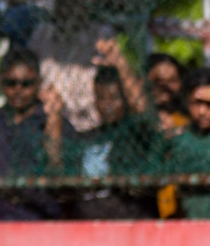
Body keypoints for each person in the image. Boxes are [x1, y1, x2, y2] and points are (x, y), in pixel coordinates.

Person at [0, 48, 70, 221]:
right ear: (1, 82)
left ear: (38, 83)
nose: (18, 90)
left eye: (26, 84)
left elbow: (58, 167)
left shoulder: (53, 122)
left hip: (40, 216)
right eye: (11, 83)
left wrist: (53, 118)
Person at [68, 66, 163, 220]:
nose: (108, 105)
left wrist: (117, 58)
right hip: (90, 220)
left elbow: (143, 111)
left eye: (114, 98)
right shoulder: (86, 139)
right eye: (101, 98)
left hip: (130, 218)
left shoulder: (137, 135)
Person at [30, 0, 140, 133]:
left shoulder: (100, 34)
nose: (68, 13)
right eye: (63, 8)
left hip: (93, 121)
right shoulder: (42, 34)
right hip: (49, 114)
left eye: (73, 7)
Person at [167, 69, 210, 219]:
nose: (203, 111)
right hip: (191, 221)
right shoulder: (180, 139)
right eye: (197, 103)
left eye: (208, 104)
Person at [146, 53, 190, 137]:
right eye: (159, 80)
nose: (166, 86)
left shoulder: (187, 114)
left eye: (172, 80)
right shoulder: (136, 112)